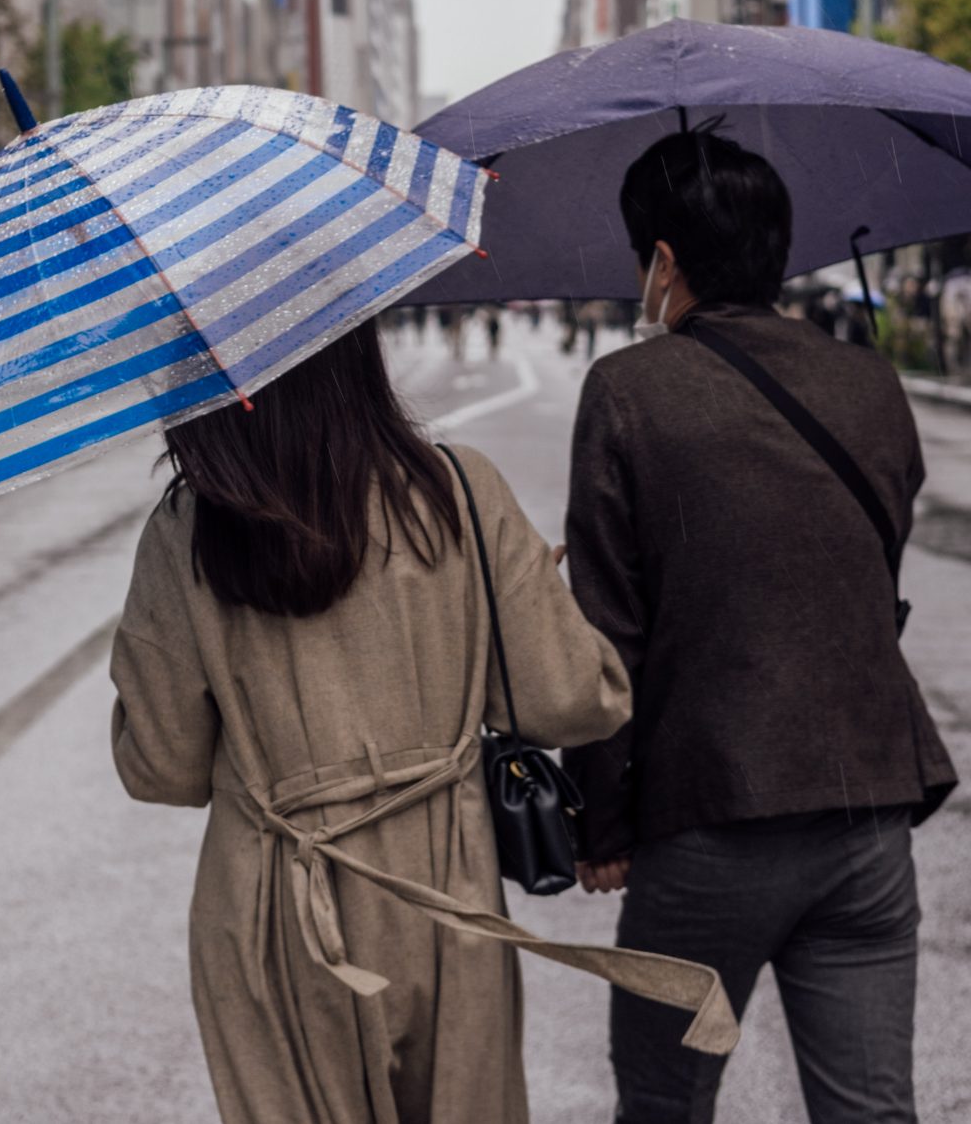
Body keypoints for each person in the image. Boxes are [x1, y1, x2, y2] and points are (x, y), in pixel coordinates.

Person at [111, 320, 730, 1124]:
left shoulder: (188, 531)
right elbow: (571, 699)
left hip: (273, 907)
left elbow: (162, 766)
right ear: (354, 352)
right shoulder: (457, 491)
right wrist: (504, 620)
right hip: (444, 882)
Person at [566, 130, 957, 1124]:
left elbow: (607, 638)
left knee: (665, 1103)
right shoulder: (870, 383)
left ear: (662, 263)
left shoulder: (627, 390)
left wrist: (601, 823)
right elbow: (869, 571)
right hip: (868, 811)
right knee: (871, 1111)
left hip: (709, 823)